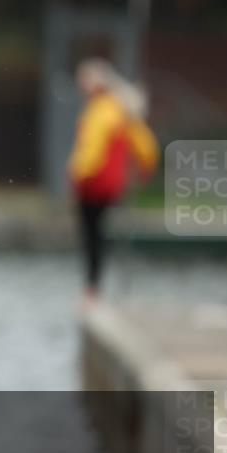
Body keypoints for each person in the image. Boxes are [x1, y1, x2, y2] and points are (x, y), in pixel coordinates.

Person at [67, 57, 158, 300]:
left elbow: (91, 151)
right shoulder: (120, 110)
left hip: (94, 185)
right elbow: (145, 145)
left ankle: (92, 287)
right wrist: (146, 168)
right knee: (99, 233)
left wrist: (77, 174)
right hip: (111, 185)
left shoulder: (101, 110)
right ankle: (95, 285)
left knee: (91, 235)